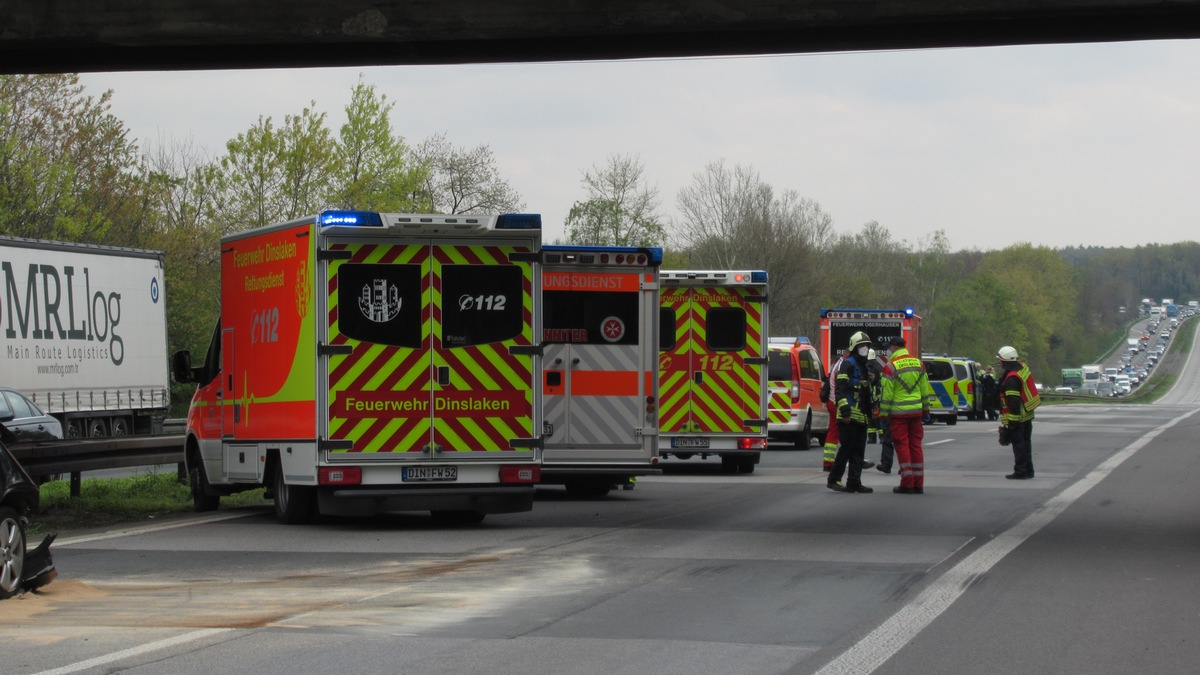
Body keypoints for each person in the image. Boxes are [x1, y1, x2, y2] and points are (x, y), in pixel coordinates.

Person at [879, 337, 934, 494]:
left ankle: (907, 483)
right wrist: (926, 410)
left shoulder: (891, 366)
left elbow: (887, 394)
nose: (887, 351)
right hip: (916, 412)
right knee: (916, 445)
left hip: (899, 414)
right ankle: (918, 483)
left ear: (895, 348)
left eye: (888, 348)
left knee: (902, 445)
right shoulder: (919, 364)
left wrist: (883, 415)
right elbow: (925, 389)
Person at [827, 331, 875, 494]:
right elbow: (841, 390)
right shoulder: (848, 365)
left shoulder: (863, 367)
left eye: (867, 347)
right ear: (855, 347)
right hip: (848, 417)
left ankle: (854, 482)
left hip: (860, 417)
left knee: (858, 451)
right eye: (862, 346)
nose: (865, 349)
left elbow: (865, 393)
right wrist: (845, 411)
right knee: (846, 450)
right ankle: (834, 480)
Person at [997, 345, 1040, 479]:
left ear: (1005, 361)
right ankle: (1029, 470)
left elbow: (1013, 402)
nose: (999, 363)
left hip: (1018, 417)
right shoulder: (1022, 369)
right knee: (1026, 443)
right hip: (1027, 414)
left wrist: (1012, 423)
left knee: (1019, 445)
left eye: (1000, 360)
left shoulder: (1011, 379)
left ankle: (1021, 471)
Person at [821, 348, 847, 472]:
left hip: (832, 401)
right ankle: (853, 459)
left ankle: (828, 462)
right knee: (847, 432)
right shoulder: (843, 365)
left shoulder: (837, 363)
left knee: (833, 432)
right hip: (837, 402)